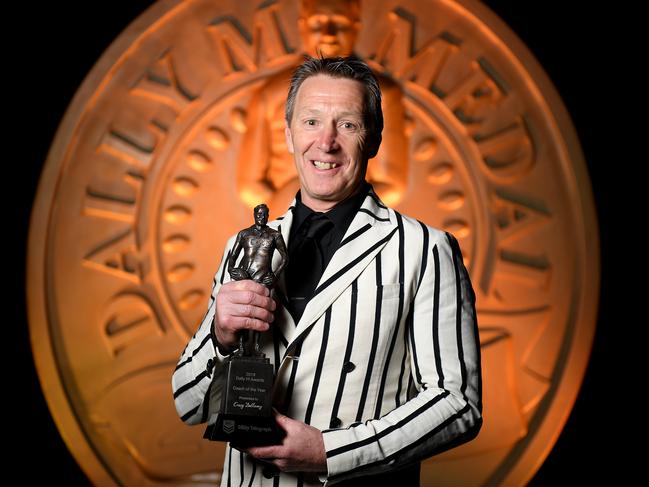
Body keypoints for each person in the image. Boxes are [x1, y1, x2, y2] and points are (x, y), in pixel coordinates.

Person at [172, 56, 482, 486]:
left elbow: (457, 403)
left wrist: (329, 452)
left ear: (372, 139)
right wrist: (221, 338)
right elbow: (188, 404)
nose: (327, 142)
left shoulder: (425, 249)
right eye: (312, 122)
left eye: (349, 125)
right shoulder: (241, 248)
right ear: (287, 134)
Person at [236, 0, 409, 214]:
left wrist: (338, 215)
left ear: (356, 26)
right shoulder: (269, 95)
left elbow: (391, 185)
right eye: (318, 24)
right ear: (303, 26)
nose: (329, 34)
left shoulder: (383, 94)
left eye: (340, 23)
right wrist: (292, 216)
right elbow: (250, 185)